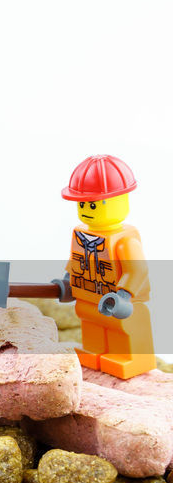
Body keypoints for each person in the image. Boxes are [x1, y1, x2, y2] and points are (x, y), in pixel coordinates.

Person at [55, 154, 155, 379]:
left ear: (119, 201)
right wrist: (66, 280)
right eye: (82, 203)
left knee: (124, 329)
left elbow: (137, 270)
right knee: (92, 326)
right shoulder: (83, 234)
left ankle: (129, 358)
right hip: (88, 299)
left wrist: (124, 294)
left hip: (119, 302)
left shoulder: (124, 240)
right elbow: (77, 261)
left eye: (93, 203)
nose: (86, 208)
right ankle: (95, 352)